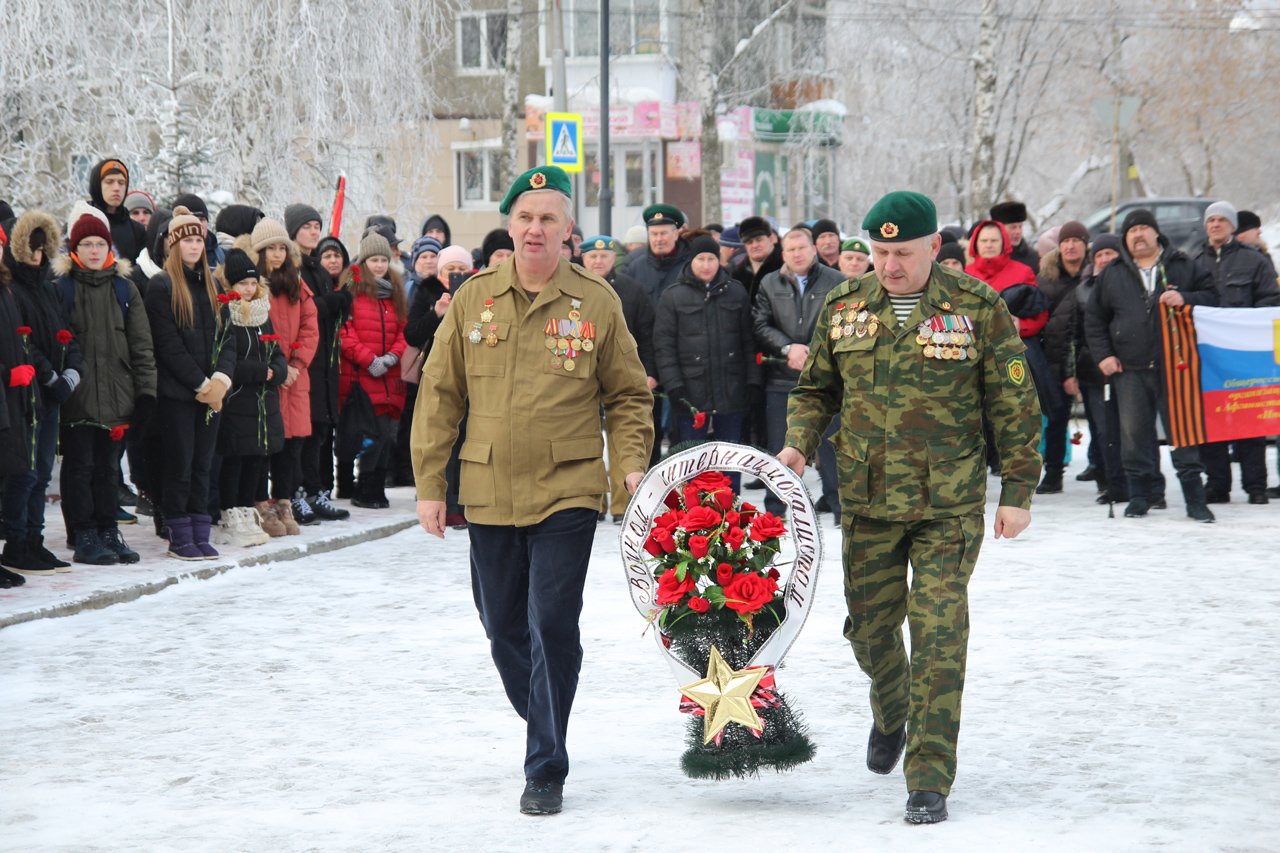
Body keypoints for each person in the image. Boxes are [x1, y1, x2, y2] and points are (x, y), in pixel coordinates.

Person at [780, 190, 1040, 825]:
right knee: (868, 630)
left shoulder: (976, 306)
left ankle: (928, 775)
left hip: (947, 503)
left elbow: (1013, 400)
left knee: (939, 632)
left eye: (902, 252)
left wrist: (1019, 491)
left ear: (933, 249)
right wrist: (797, 445)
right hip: (867, 499)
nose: (889, 265)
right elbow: (816, 388)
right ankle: (892, 707)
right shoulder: (844, 306)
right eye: (879, 251)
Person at [412, 165, 653, 817]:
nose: (536, 228)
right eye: (526, 217)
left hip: (567, 486)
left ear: (567, 230)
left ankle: (545, 762)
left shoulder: (596, 301)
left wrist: (629, 464)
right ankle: (544, 710)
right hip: (487, 485)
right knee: (502, 629)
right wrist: (430, 484)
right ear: (510, 226)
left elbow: (629, 393)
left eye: (549, 218)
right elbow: (439, 393)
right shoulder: (474, 298)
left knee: (551, 622)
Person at [1084, 208, 1218, 521]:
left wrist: (1185, 298)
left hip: (1177, 368)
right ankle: (1139, 497)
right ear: (1125, 238)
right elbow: (1095, 320)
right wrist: (1104, 355)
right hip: (1128, 369)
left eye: (1144, 228)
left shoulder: (1183, 265)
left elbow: (1213, 297)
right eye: (1132, 231)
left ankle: (1195, 499)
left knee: (1183, 433)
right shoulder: (1112, 273)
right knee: (1134, 436)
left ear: (1156, 233)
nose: (1138, 235)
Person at [54, 210, 156, 565]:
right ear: (74, 249)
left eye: (100, 243)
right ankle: (83, 532)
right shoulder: (62, 289)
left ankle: (107, 528)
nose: (94, 250)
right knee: (80, 466)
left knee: (109, 468)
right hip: (77, 396)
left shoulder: (124, 288)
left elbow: (142, 345)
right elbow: (56, 344)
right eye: (86, 244)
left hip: (118, 395)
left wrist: (145, 392)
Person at [145, 206, 236, 559]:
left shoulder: (214, 285)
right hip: (180, 394)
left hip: (212, 392)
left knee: (204, 463)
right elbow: (167, 344)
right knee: (180, 463)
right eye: (187, 241)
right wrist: (200, 384)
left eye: (199, 239)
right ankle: (178, 530)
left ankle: (200, 528)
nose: (195, 246)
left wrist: (221, 380)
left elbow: (227, 337)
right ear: (173, 245)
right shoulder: (162, 285)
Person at [0, 211, 83, 576]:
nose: (36, 255)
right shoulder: (13, 290)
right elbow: (24, 342)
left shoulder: (48, 287)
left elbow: (66, 332)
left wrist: (71, 371)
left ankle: (35, 540)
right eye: (30, 248)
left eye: (42, 248)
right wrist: (50, 375)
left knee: (43, 469)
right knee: (26, 471)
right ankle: (17, 542)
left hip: (49, 394)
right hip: (28, 392)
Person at [753, 227, 845, 522]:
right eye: (791, 250)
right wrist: (787, 348)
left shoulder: (836, 281)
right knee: (780, 446)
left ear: (813, 250)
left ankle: (838, 506)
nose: (797, 254)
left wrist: (815, 352)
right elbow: (760, 323)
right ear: (783, 254)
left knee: (832, 445)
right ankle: (775, 510)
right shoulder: (769, 282)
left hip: (826, 380)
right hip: (782, 377)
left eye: (802, 248)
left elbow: (843, 323)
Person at [1191, 201, 1280, 504]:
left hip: (1245, 355)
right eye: (1210, 220)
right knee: (1210, 420)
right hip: (1208, 356)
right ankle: (1217, 485)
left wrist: (1246, 328)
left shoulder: (1254, 261)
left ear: (1232, 226)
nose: (1215, 224)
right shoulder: (1193, 261)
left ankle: (1255, 487)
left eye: (1221, 220)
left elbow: (1271, 302)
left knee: (1248, 418)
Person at [653, 233, 759, 487]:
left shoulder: (735, 291)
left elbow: (748, 341)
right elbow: (664, 346)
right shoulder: (673, 296)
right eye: (700, 258)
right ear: (691, 261)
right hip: (691, 393)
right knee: (693, 462)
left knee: (730, 460)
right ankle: (696, 519)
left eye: (711, 258)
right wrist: (674, 386)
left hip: (731, 391)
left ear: (718, 260)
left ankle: (731, 515)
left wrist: (753, 381)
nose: (706, 265)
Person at [248, 218, 318, 532]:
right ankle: (262, 505)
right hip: (268, 377)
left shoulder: (297, 284)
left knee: (293, 446)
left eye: (281, 248)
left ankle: (284, 502)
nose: (277, 255)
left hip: (295, 378)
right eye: (270, 249)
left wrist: (297, 364)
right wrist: (278, 368)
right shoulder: (253, 285)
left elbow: (309, 327)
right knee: (266, 443)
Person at [212, 249, 286, 546]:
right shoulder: (226, 315)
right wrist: (261, 371)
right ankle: (230, 513)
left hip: (262, 403)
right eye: (242, 284)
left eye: (252, 284)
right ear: (231, 286)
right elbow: (226, 359)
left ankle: (247, 509)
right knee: (235, 460)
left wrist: (277, 371)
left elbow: (277, 354)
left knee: (256, 460)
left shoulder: (262, 315)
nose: (248, 289)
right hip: (238, 401)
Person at [580, 235, 658, 518]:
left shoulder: (631, 290)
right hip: (583, 375)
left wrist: (649, 373)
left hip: (623, 372)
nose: (598, 261)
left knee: (622, 436)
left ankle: (623, 504)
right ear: (583, 259)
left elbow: (648, 335)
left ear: (614, 259)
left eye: (604, 256)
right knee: (587, 440)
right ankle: (594, 503)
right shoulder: (573, 289)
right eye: (592, 256)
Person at [285, 205, 350, 522]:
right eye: (307, 226)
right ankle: (295, 494)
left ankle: (316, 490)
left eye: (317, 226)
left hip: (324, 363)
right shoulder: (290, 267)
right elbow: (298, 313)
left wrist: (341, 305)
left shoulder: (320, 271)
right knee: (300, 435)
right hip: (302, 362)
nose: (314, 231)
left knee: (320, 432)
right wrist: (331, 303)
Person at [339, 231, 407, 509]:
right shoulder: (352, 289)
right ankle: (363, 485)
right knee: (369, 433)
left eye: (383, 259)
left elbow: (404, 329)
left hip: (389, 376)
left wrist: (392, 356)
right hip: (363, 376)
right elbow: (345, 333)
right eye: (374, 259)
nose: (379, 265)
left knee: (385, 434)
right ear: (364, 261)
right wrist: (369, 360)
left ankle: (377, 485)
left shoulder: (395, 291)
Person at [1033, 220, 1091, 494]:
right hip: (1054, 358)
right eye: (1066, 241)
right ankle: (1053, 472)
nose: (1070, 246)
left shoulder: (1095, 275)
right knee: (1056, 418)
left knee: (1101, 418)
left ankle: (1102, 467)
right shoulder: (1046, 278)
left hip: (1091, 354)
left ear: (1085, 245)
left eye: (1076, 240)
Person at [622, 203, 689, 305]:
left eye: (663, 233)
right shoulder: (635, 267)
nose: (658, 239)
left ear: (676, 234)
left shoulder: (691, 265)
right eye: (654, 234)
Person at [88, 157, 146, 262]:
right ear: (97, 185)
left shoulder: (137, 230)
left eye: (121, 182)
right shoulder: (79, 224)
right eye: (109, 182)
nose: (116, 188)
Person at [989, 200, 1039, 270]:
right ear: (999, 228)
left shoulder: (1033, 258)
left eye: (1020, 227)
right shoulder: (987, 255)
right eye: (1013, 227)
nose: (1018, 232)